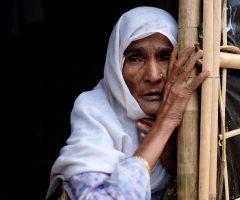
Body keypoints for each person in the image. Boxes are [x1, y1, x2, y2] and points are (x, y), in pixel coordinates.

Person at [46, 6, 209, 200]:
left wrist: (176, 167)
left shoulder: (195, 120)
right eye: (135, 58)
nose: (154, 76)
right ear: (115, 67)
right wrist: (164, 125)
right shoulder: (93, 112)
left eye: (165, 57)